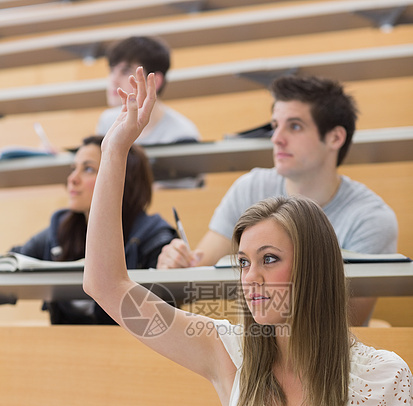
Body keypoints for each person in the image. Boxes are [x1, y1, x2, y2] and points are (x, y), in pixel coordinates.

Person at [83, 69, 411, 406]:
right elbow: (105, 284)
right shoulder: (225, 348)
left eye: (270, 260)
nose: (249, 280)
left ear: (315, 271)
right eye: (242, 263)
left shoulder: (382, 377)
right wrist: (117, 146)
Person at [156, 75, 399, 326]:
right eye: (275, 125)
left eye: (294, 126)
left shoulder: (371, 218)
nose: (276, 138)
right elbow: (200, 268)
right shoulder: (249, 187)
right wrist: (177, 263)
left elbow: (345, 322)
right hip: (256, 344)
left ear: (335, 138)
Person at [11, 135, 177, 324]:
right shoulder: (60, 230)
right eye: (74, 169)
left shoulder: (153, 236)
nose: (72, 179)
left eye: (88, 169)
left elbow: (168, 309)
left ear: (122, 179)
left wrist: (170, 271)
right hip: (64, 348)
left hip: (129, 349)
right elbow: (12, 262)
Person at [97, 36, 200, 146]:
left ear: (155, 81)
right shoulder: (107, 121)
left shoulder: (182, 135)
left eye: (125, 71)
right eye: (112, 71)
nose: (113, 80)